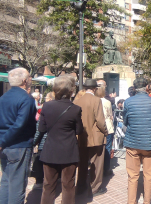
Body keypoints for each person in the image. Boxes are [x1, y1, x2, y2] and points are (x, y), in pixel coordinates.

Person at [0, 67, 37, 204]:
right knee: (17, 186)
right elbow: (19, 125)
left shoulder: (2, 99)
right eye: (30, 77)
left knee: (6, 182)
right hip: (18, 146)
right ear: (25, 81)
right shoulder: (26, 99)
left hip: (4, 146)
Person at [35, 76, 82, 204]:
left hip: (50, 149)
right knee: (68, 185)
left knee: (48, 184)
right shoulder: (75, 109)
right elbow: (79, 130)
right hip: (69, 150)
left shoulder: (47, 106)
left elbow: (42, 128)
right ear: (71, 92)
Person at [123, 77, 151, 204]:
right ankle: (146, 201)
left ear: (134, 88)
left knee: (132, 176)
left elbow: (125, 121)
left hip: (132, 142)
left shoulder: (128, 102)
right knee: (149, 175)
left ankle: (131, 201)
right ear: (147, 87)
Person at [73, 79, 108, 197]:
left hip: (81, 136)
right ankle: (95, 187)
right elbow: (100, 120)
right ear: (95, 88)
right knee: (97, 164)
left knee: (82, 163)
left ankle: (81, 185)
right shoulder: (96, 100)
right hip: (96, 136)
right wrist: (105, 131)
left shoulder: (77, 101)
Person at [31, 92, 55, 190]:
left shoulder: (45, 110)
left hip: (44, 142)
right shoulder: (62, 109)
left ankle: (40, 181)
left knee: (40, 162)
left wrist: (34, 142)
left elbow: (39, 129)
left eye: (46, 97)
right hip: (56, 142)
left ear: (49, 99)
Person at [96, 80, 115, 176]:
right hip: (107, 127)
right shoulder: (107, 102)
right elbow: (110, 115)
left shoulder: (93, 100)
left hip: (96, 128)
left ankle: (97, 169)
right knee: (107, 148)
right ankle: (106, 169)